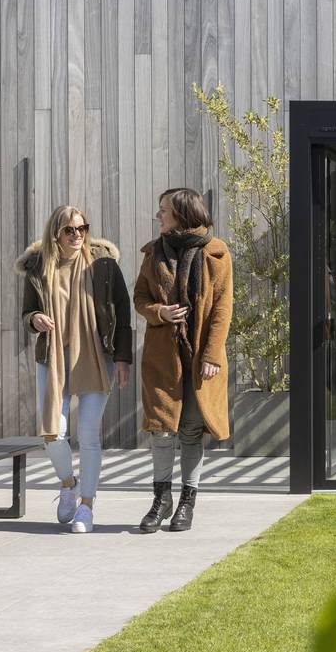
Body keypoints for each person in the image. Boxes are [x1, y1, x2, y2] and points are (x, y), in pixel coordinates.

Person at [16, 206, 133, 533]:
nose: (77, 234)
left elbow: (122, 314)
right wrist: (35, 319)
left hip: (95, 356)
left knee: (88, 436)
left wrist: (123, 358)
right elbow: (27, 313)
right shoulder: (38, 268)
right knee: (53, 433)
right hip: (53, 357)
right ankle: (68, 484)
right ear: (56, 233)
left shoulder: (103, 265)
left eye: (82, 228)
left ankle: (86, 507)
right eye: (69, 230)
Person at [133, 188, 232, 533]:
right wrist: (159, 311)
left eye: (164, 211)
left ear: (183, 214)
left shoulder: (216, 253)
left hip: (200, 358)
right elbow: (140, 297)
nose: (158, 216)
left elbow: (222, 309)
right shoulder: (153, 253)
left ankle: (187, 502)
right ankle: (161, 500)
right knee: (161, 430)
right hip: (163, 356)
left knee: (191, 430)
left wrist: (212, 355)